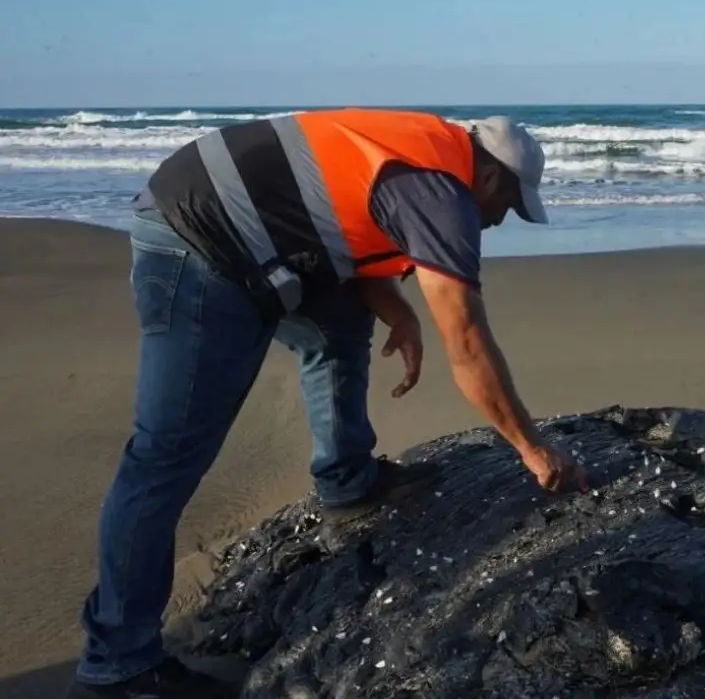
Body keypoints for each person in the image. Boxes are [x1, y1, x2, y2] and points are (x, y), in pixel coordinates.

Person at [66, 109, 589, 699]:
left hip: (258, 234)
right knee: (165, 455)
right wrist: (532, 447)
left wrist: (397, 311)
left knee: (337, 327)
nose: (496, 222)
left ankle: (346, 479)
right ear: (490, 179)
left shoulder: (423, 159)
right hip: (198, 238)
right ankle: (119, 663)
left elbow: (329, 220)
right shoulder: (441, 192)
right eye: (508, 208)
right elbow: (467, 343)